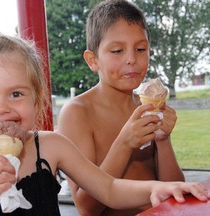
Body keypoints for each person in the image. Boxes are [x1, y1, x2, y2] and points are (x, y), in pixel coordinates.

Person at [0, 32, 210, 216]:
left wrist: (157, 188)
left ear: (37, 100)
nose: (1, 108)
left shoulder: (51, 145)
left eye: (16, 94)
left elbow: (110, 188)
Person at [57, 0, 186, 215]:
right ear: (93, 60)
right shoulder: (78, 112)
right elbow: (86, 207)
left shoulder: (145, 106)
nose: (131, 59)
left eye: (140, 49)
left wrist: (163, 141)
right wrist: (124, 143)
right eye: (117, 50)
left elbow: (173, 189)